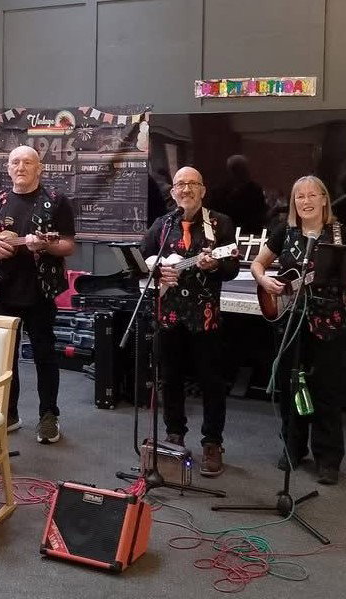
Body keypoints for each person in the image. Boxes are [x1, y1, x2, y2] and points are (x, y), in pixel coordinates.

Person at [0, 145, 76, 443]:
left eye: (28, 162)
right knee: (2, 359)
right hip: (2, 290)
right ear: (8, 168)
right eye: (15, 162)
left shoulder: (56, 201)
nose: (21, 167)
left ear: (39, 168)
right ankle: (7, 413)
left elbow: (67, 244)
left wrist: (46, 245)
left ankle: (49, 416)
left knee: (44, 355)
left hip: (40, 290)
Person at [251, 175, 346, 485]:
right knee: (291, 387)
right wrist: (264, 280)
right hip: (291, 321)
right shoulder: (285, 231)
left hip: (327, 323)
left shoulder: (339, 233)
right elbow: (259, 263)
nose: (306, 201)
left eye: (312, 195)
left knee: (326, 390)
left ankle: (328, 458)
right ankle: (292, 448)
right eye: (299, 197)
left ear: (324, 199)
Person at [139, 166, 238, 476]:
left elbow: (232, 266)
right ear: (173, 192)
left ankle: (212, 443)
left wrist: (212, 267)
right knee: (170, 379)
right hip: (168, 315)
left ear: (203, 190)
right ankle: (174, 436)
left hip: (204, 316)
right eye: (180, 184)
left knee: (212, 381)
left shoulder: (219, 224)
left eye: (193, 184)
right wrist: (157, 270)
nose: (186, 189)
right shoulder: (162, 224)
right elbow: (144, 258)